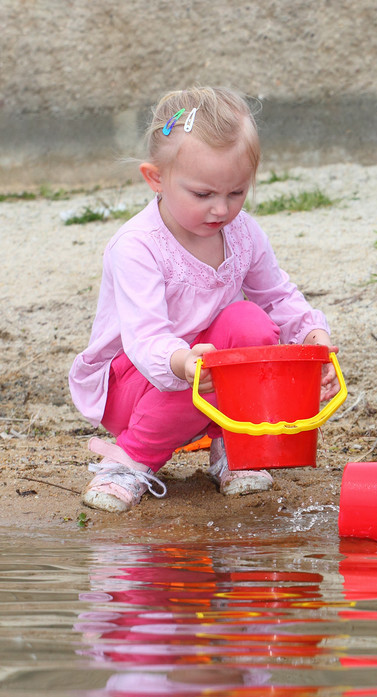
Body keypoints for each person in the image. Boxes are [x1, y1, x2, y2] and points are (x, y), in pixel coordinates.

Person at [69, 86, 340, 513]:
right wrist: (183, 361)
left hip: (207, 374)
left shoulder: (243, 232)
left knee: (249, 322)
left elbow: (278, 295)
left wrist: (313, 334)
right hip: (134, 380)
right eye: (203, 194)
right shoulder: (138, 246)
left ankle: (233, 445)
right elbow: (144, 337)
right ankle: (130, 458)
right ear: (156, 178)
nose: (221, 209)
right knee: (210, 363)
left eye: (236, 193)